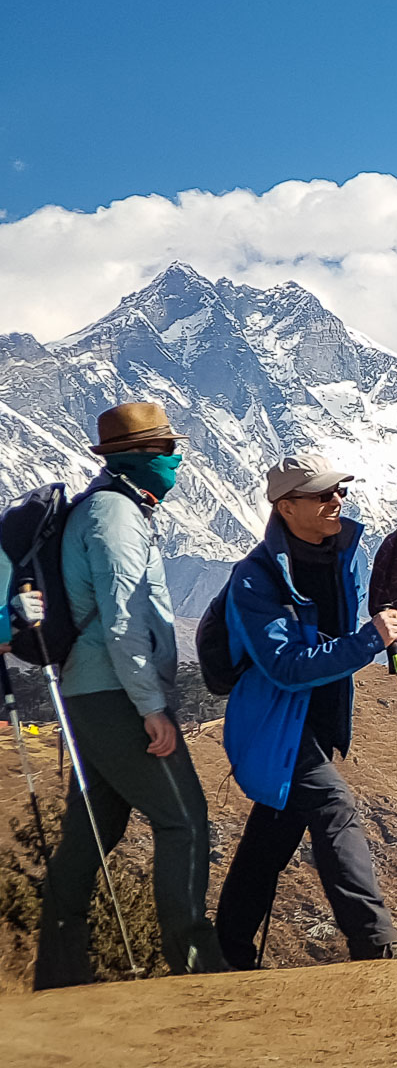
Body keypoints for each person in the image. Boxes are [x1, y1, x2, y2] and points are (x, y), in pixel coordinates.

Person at [30, 402, 227, 988]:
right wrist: (151, 707)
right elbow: (122, 621)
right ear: (140, 457)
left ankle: (59, 971)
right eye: (169, 451)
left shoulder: (102, 508)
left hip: (87, 692)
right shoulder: (116, 517)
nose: (178, 460)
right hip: (116, 692)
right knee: (184, 820)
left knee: (95, 828)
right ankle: (194, 965)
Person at [214, 454, 397, 967]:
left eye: (338, 491)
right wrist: (368, 641)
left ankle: (225, 951)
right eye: (322, 495)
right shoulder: (254, 578)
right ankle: (374, 941)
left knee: (271, 837)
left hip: (317, 719)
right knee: (332, 806)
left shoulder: (344, 555)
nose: (335, 501)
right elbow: (284, 666)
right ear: (286, 507)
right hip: (275, 721)